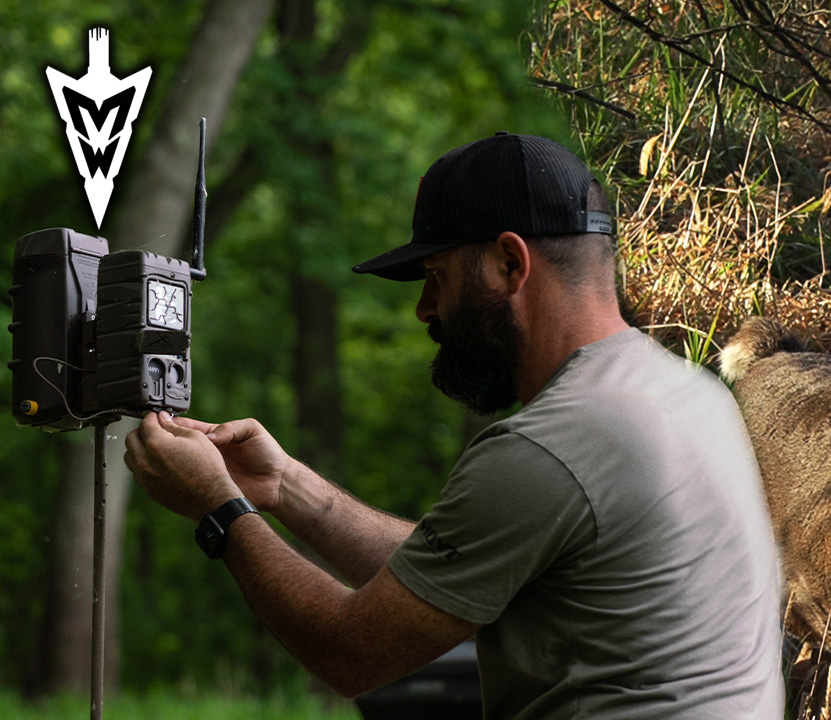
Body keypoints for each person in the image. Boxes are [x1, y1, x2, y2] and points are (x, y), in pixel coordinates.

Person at [124, 132, 784, 718]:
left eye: (437, 277)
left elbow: (352, 652)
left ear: (509, 262)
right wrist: (286, 487)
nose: (423, 309)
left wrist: (219, 509)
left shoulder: (551, 448)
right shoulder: (689, 394)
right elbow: (469, 574)